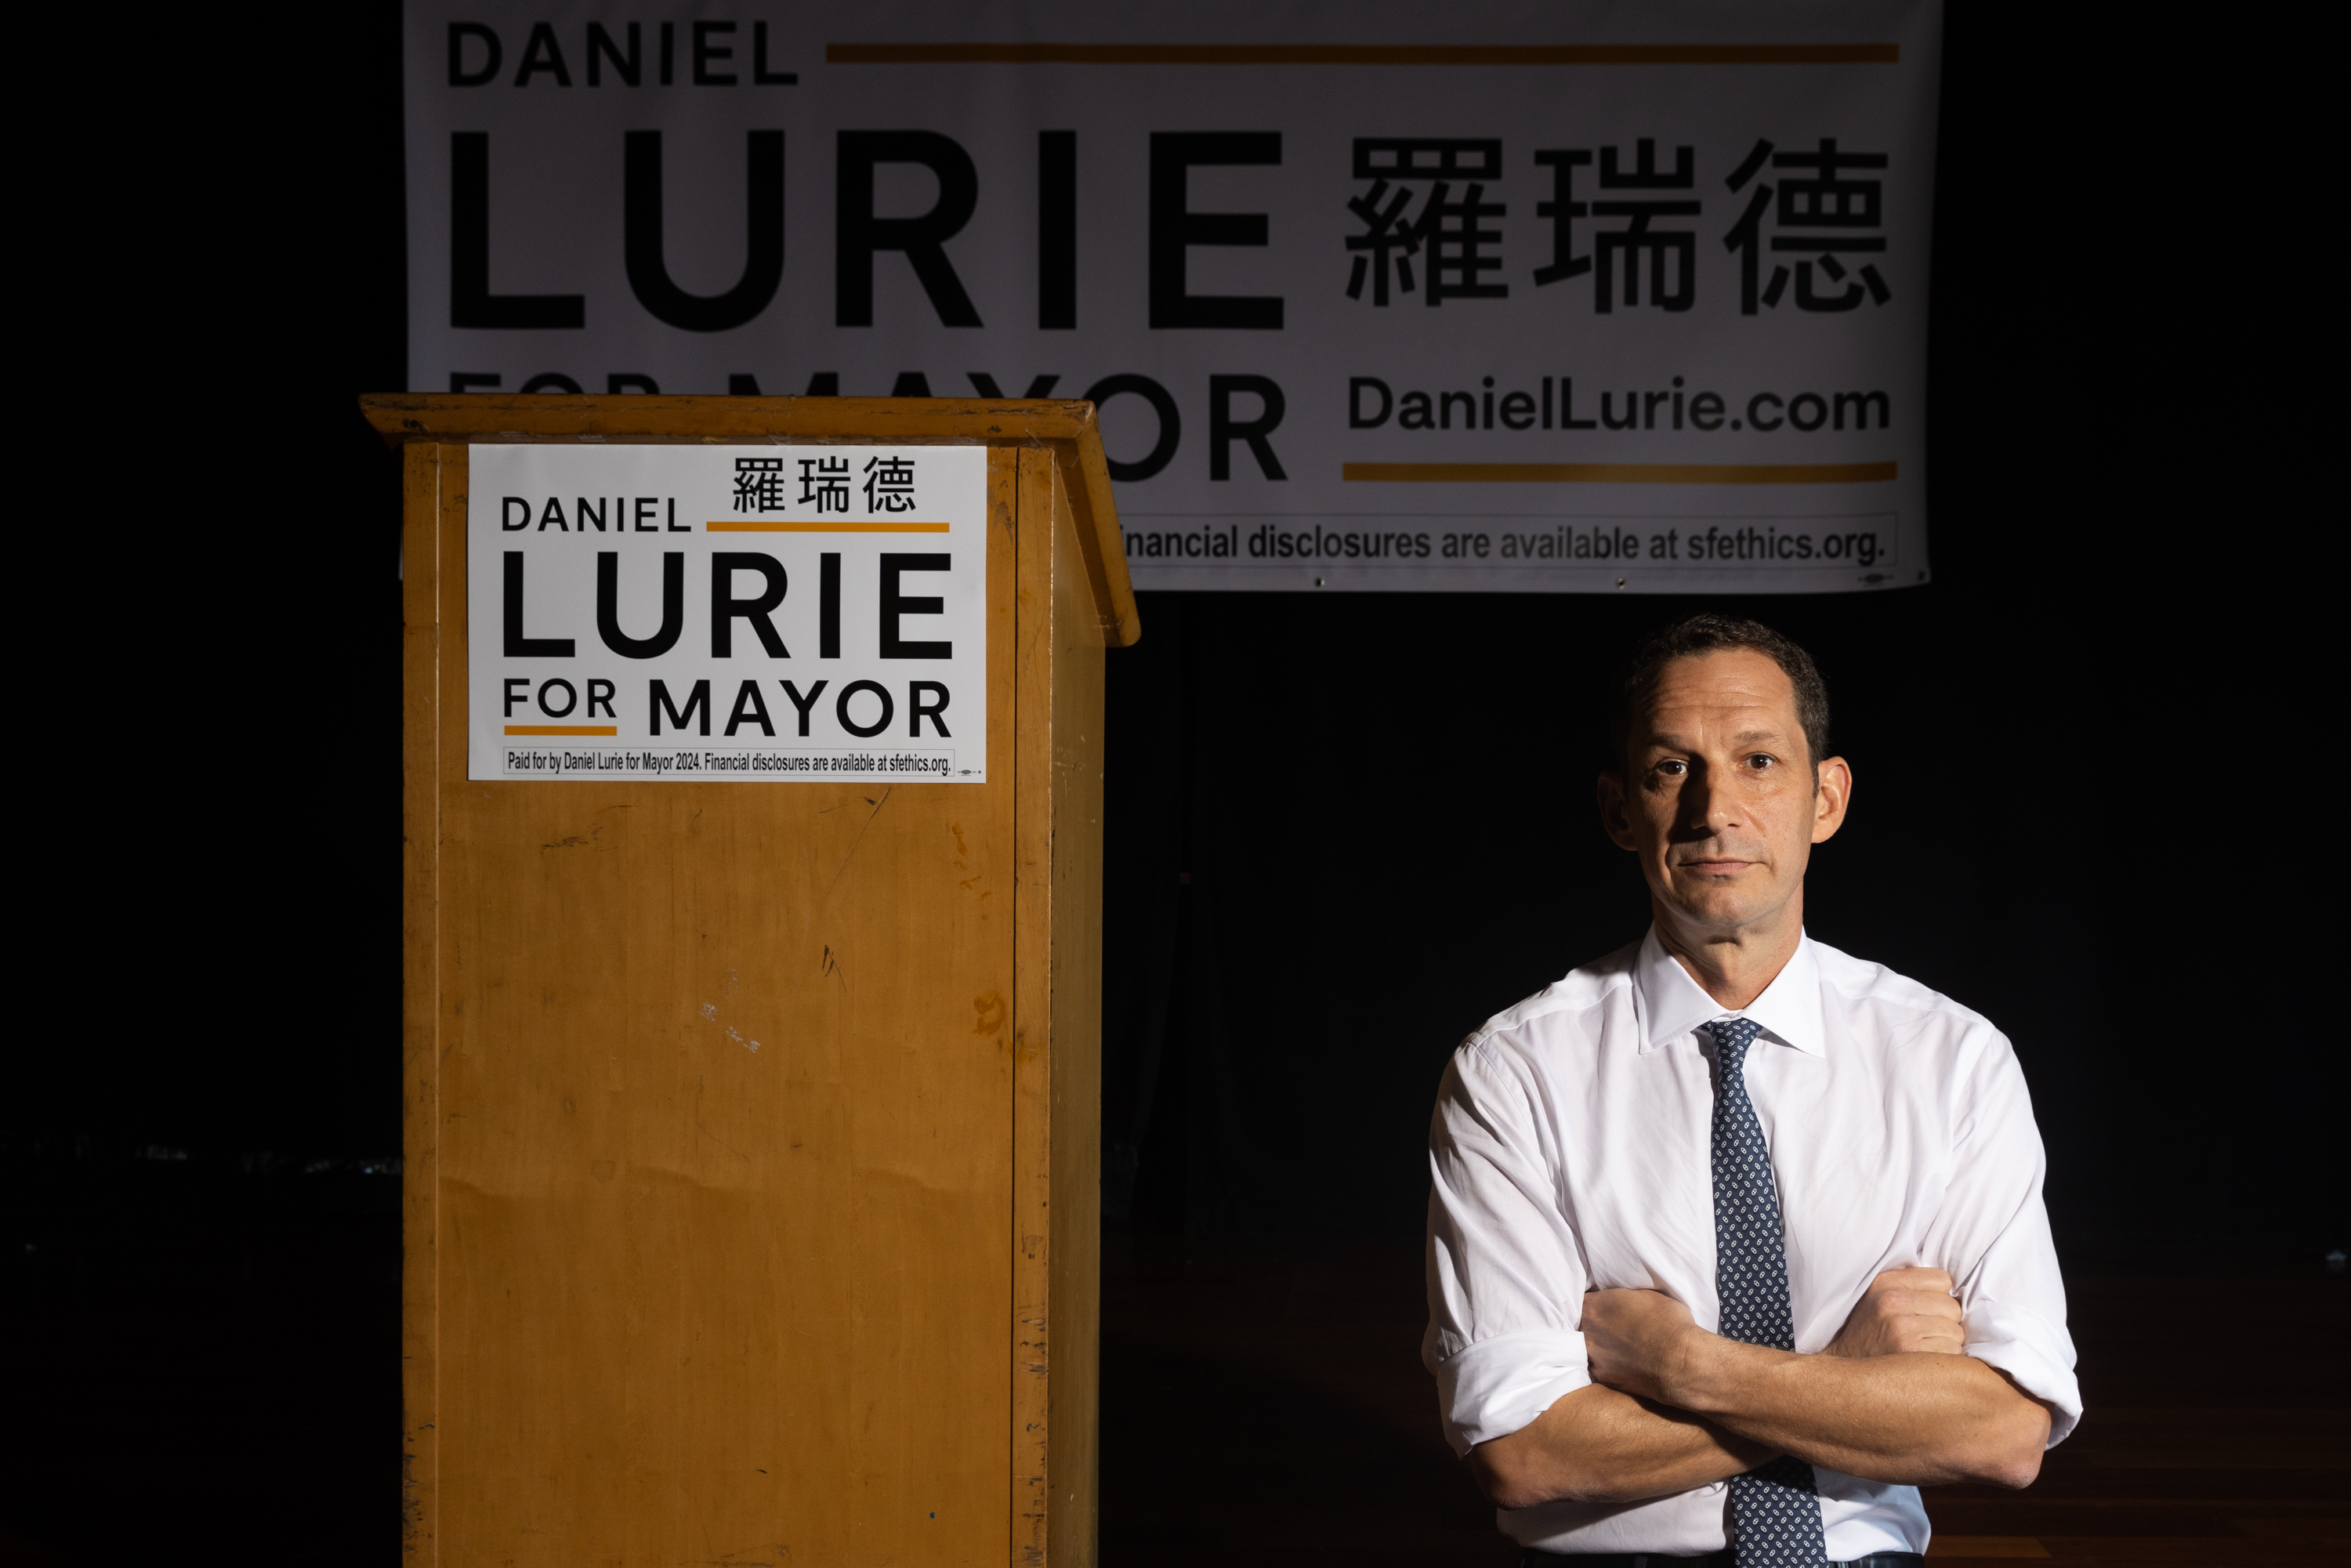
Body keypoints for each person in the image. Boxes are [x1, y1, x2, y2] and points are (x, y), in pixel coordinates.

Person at [1422, 614, 2078, 1568]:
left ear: (1828, 798)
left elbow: (2006, 1432)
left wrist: (1686, 1367)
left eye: (1760, 761)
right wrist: (1848, 1378)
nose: (1715, 808)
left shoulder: (1954, 1060)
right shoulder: (1511, 1073)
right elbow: (1521, 1453)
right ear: (1618, 810)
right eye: (1670, 768)